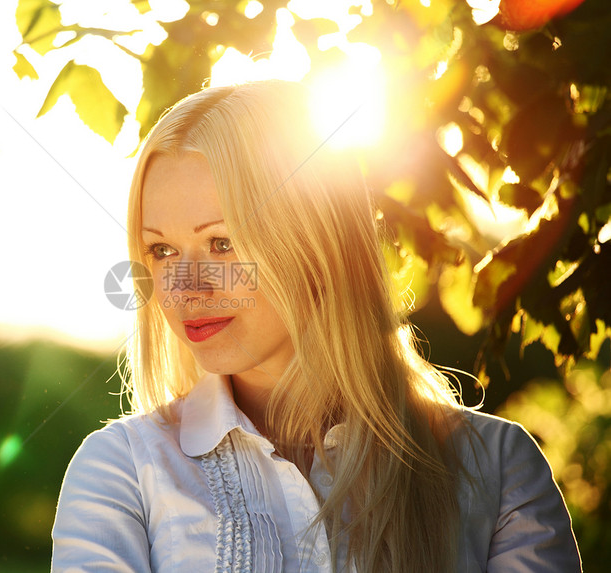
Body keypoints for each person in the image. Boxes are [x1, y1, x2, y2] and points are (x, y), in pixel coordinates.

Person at [51, 80, 581, 572]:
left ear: (316, 240)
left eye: (222, 243)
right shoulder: (123, 473)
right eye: (161, 250)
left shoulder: (496, 467)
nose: (185, 287)